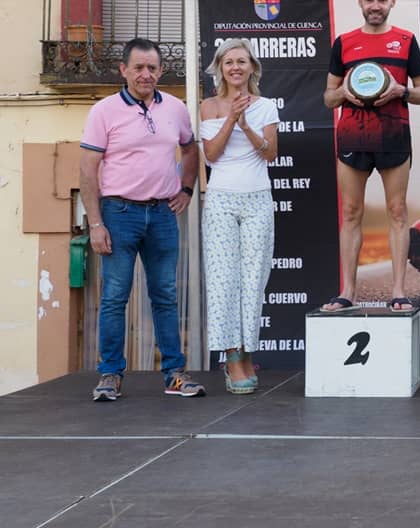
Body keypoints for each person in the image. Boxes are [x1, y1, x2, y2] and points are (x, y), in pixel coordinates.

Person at [80, 38, 204, 401]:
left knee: (165, 295)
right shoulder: (104, 111)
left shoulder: (176, 108)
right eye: (138, 68)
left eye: (152, 68)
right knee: (115, 297)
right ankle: (110, 374)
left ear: (161, 71)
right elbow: (87, 169)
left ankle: (174, 374)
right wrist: (96, 223)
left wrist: (186, 189)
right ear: (124, 70)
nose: (145, 74)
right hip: (118, 213)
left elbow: (190, 149)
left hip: (162, 213)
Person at [320, 0, 420, 313]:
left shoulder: (406, 41)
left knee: (397, 211)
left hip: (393, 136)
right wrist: (343, 93)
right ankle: (348, 292)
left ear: (392, 2)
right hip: (353, 137)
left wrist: (401, 91)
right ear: (360, 2)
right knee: (352, 213)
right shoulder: (344, 43)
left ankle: (398, 291)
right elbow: (328, 97)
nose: (375, 5)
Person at [200, 38, 279, 394]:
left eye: (241, 61)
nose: (235, 67)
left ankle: (247, 353)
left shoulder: (266, 107)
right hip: (221, 200)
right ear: (220, 67)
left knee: (253, 280)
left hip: (258, 198)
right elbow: (212, 155)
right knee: (223, 281)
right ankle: (231, 357)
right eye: (229, 61)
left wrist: (246, 125)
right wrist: (230, 118)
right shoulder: (208, 106)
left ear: (252, 68)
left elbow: (271, 154)